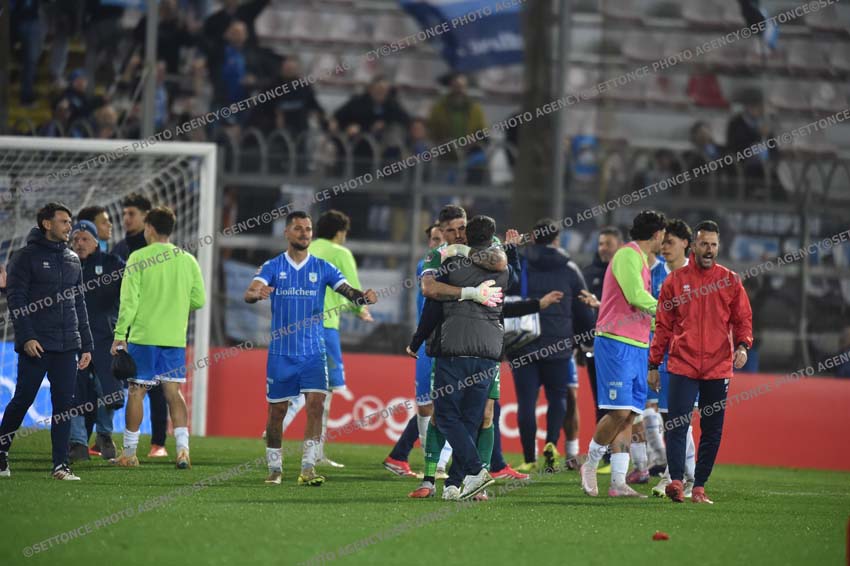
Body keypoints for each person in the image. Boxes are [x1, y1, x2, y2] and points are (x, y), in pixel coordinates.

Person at [244, 211, 376, 486]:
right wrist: (258, 294)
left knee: (316, 405)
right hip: (282, 352)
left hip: (314, 352)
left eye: (308, 229)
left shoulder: (323, 267)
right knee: (277, 412)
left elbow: (348, 291)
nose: (304, 233)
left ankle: (308, 468)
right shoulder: (273, 266)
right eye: (298, 228)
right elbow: (250, 292)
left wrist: (363, 298)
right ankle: (275, 469)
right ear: (286, 233)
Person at [407, 205, 517, 499]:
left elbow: (432, 295)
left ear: (468, 229)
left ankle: (473, 473)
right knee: (467, 417)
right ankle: (453, 484)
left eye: (461, 228)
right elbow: (507, 267)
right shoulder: (491, 261)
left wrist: (417, 340)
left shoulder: (449, 262)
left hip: (456, 346)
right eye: (451, 230)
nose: (457, 234)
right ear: (440, 231)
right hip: (488, 349)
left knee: (450, 416)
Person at [650, 220, 753, 504]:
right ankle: (675, 482)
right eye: (704, 243)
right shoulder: (675, 281)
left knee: (712, 430)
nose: (709, 249)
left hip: (718, 368)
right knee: (677, 425)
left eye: (713, 245)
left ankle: (699, 487)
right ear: (693, 245)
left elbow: (743, 319)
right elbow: (663, 326)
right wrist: (653, 364)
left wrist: (743, 346)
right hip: (682, 365)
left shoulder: (730, 280)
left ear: (718, 247)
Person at [0, 203, 93, 480]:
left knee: (64, 406)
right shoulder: (24, 257)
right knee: (23, 399)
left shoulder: (72, 259)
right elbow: (16, 300)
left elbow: (79, 303)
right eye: (64, 222)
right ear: (47, 224)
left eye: (70, 222)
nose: (69, 227)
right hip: (37, 345)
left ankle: (60, 465)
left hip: (67, 345)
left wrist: (86, 344)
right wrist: (27, 336)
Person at [110, 206, 206, 470]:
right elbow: (199, 299)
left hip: (145, 336)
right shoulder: (187, 260)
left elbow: (129, 301)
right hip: (174, 338)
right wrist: (175, 305)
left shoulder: (139, 257)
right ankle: (183, 450)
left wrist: (120, 335)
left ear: (149, 228)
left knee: (136, 391)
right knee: (173, 393)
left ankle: (130, 453)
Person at [579, 210, 665, 498]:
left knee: (630, 415)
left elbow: (640, 310)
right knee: (618, 412)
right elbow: (634, 296)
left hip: (638, 345)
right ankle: (590, 463)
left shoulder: (640, 260)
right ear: (657, 234)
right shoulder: (628, 255)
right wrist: (668, 311)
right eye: (663, 235)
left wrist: (661, 324)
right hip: (616, 342)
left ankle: (618, 482)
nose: (663, 240)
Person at [509, 218, 595, 474]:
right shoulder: (570, 268)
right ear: (557, 239)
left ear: (534, 237)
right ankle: (551, 445)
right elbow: (583, 309)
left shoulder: (521, 263)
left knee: (526, 401)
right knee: (558, 399)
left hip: (523, 344)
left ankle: (529, 457)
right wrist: (584, 339)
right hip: (559, 345)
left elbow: (508, 295)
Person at [307, 210, 373, 467]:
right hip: (325, 326)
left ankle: (279, 426)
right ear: (339, 233)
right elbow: (351, 287)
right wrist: (361, 310)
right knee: (325, 389)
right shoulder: (340, 253)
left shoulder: (307, 249)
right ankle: (316, 453)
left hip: (298, 327)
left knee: (303, 384)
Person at [383, 223, 447, 478]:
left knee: (446, 405)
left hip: (452, 342)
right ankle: (435, 463)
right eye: (435, 239)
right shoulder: (427, 266)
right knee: (428, 406)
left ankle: (403, 456)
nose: (439, 243)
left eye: (442, 238)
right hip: (431, 344)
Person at [112, 193, 170, 458]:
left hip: (148, 329)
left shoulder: (156, 252)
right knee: (116, 382)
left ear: (147, 219)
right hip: (125, 326)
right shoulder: (119, 249)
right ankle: (104, 438)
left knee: (154, 387)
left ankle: (158, 443)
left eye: (131, 214)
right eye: (124, 213)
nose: (126, 218)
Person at [67, 221, 125, 462]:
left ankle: (104, 435)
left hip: (104, 338)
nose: (79, 244)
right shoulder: (65, 265)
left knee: (107, 389)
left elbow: (131, 294)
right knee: (73, 390)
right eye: (75, 239)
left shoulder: (113, 264)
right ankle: (78, 442)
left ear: (95, 241)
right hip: (73, 340)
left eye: (84, 239)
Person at [647, 220, 697, 496]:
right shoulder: (653, 274)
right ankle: (683, 476)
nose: (664, 247)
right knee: (669, 419)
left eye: (670, 242)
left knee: (681, 419)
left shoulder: (698, 275)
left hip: (689, 356)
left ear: (685, 243)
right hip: (659, 354)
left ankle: (677, 476)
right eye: (663, 242)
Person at [581, 227, 623, 423]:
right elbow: (579, 311)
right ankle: (605, 443)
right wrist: (579, 343)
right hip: (594, 347)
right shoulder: (587, 274)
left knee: (621, 405)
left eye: (608, 244)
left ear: (620, 246)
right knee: (600, 401)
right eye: (600, 244)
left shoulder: (627, 273)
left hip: (621, 347)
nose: (603, 248)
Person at [428, 73, 488, 183]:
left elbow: (483, 131)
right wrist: (440, 142)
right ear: (451, 87)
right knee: (446, 181)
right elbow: (432, 129)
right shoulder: (439, 108)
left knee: (479, 161)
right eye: (456, 86)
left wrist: (475, 140)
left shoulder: (475, 109)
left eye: (461, 87)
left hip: (469, 152)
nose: (459, 90)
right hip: (446, 152)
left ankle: (470, 191)